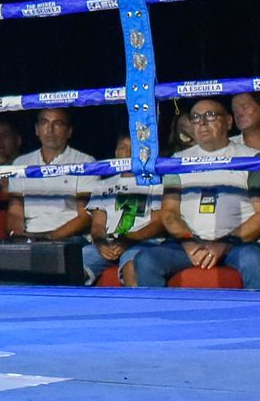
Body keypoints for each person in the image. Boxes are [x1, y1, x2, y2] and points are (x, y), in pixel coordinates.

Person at [133, 99, 260, 288]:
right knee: (146, 260)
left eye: (210, 115)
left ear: (228, 121)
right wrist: (189, 243)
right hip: (188, 243)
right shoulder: (177, 161)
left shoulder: (251, 158)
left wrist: (224, 243)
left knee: (254, 260)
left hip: (236, 244)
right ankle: (155, 317)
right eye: (195, 117)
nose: (201, 122)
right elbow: (169, 213)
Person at [82, 135, 165, 286]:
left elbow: (158, 223)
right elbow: (98, 225)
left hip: (142, 241)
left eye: (134, 148)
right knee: (78, 260)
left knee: (133, 265)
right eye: (123, 147)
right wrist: (101, 243)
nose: (127, 153)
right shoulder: (103, 185)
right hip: (110, 242)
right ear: (116, 152)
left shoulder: (156, 183)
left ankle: (138, 308)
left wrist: (130, 239)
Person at [6, 109, 95, 244]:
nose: (50, 129)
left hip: (69, 238)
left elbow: (85, 216)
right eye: (44, 122)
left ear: (69, 131)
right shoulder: (20, 163)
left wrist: (49, 238)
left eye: (57, 123)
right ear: (37, 130)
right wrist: (19, 236)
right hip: (31, 236)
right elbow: (15, 211)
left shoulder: (85, 162)